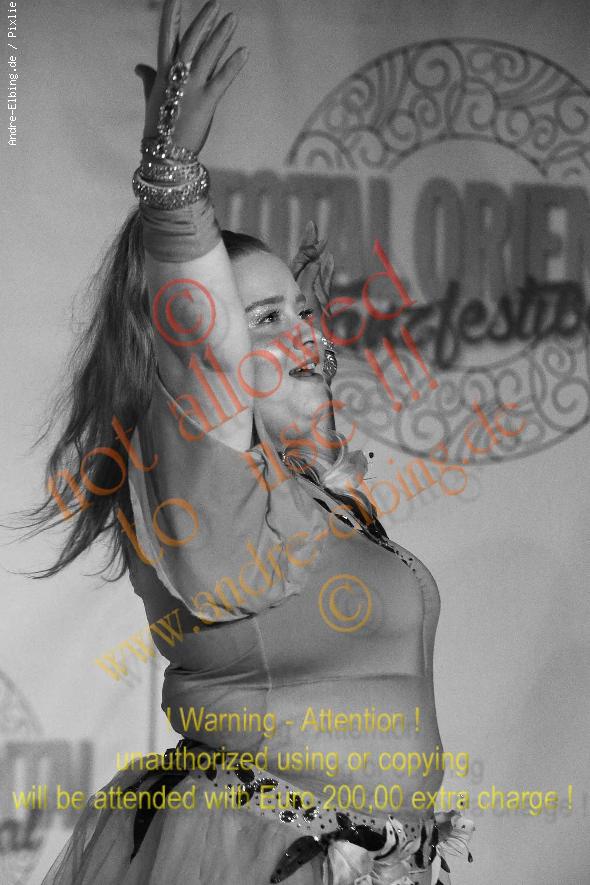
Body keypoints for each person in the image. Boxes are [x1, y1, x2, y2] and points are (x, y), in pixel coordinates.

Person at [28, 1, 474, 882]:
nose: (303, 333)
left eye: (301, 310)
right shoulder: (197, 465)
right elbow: (206, 346)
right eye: (264, 317)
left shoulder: (314, 498)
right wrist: (173, 190)